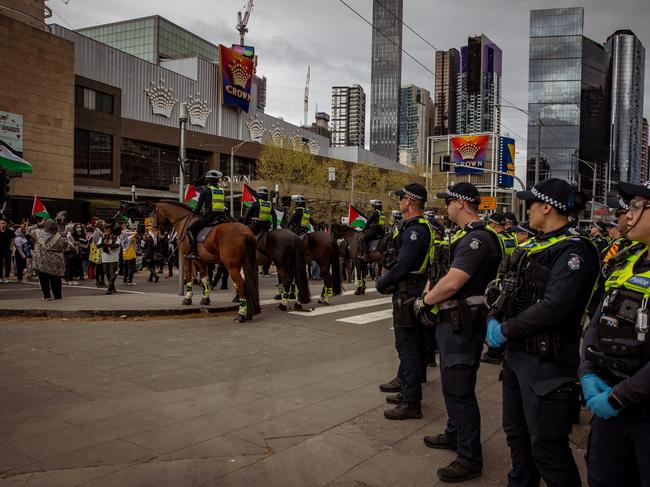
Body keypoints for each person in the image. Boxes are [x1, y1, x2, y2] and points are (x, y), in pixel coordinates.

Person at [486, 178, 599, 487]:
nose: (529, 209)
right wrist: (494, 316)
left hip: (547, 364)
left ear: (547, 207)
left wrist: (506, 329)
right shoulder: (534, 245)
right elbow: (508, 287)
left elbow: (554, 306)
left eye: (532, 203)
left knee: (547, 448)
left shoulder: (575, 250)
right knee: (517, 438)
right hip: (517, 357)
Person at [413, 182, 503, 483]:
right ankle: (454, 434)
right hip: (450, 324)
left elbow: (453, 283)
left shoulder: (478, 239)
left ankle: (469, 458)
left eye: (448, 201)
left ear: (462, 204)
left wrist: (422, 302)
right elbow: (439, 274)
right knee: (451, 386)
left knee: (460, 392)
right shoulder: (462, 237)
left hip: (462, 328)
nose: (445, 206)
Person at [579, 179, 650, 487]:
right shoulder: (629, 258)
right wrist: (587, 371)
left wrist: (621, 396)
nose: (628, 215)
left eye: (636, 206)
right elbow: (597, 320)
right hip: (609, 397)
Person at [376, 183, 432, 421]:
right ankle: (407, 390)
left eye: (401, 198)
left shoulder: (415, 230)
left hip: (408, 292)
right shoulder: (416, 228)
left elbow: (403, 264)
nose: (399, 202)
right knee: (411, 346)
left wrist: (382, 282)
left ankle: (411, 402)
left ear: (410, 201)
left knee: (407, 347)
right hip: (412, 291)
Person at [186, 170, 227, 260]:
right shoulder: (222, 190)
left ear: (208, 180)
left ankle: (193, 252)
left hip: (210, 217)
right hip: (221, 217)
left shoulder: (206, 190)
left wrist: (193, 210)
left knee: (190, 228)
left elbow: (198, 209)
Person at [28, 219, 72, 299]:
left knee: (43, 279)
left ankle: (46, 296)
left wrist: (39, 224)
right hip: (56, 262)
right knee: (56, 280)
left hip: (41, 261)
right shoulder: (60, 236)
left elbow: (29, 230)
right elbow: (66, 247)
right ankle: (57, 296)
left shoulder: (38, 233)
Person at [100, 221, 122, 295]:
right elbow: (97, 246)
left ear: (111, 231)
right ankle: (112, 286)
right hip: (105, 259)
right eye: (106, 231)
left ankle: (109, 289)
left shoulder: (116, 237)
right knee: (107, 274)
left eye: (108, 231)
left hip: (114, 259)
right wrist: (103, 243)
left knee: (113, 274)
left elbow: (117, 245)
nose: (107, 232)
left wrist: (109, 244)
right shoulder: (102, 238)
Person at [0, 217, 15, 283]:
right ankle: (0, 277)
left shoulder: (10, 231)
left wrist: (11, 248)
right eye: (1, 223)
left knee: (8, 263)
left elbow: (13, 240)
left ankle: (6, 277)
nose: (2, 224)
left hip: (7, 249)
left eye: (4, 223)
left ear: (6, 224)